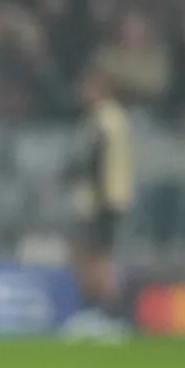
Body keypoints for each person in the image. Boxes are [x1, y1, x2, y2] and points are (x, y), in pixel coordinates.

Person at [62, 68, 133, 340]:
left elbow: (95, 161)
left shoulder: (105, 119)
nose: (84, 92)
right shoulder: (110, 118)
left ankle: (106, 316)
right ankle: (99, 314)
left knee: (97, 260)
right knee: (93, 258)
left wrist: (71, 178)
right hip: (108, 198)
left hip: (103, 200)